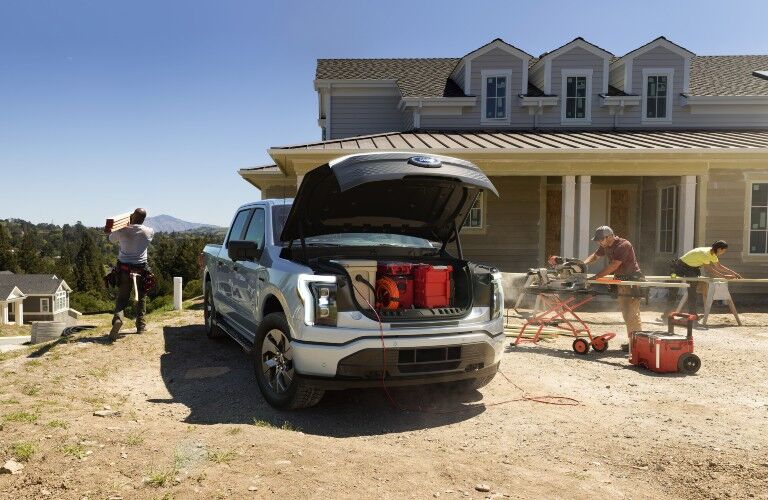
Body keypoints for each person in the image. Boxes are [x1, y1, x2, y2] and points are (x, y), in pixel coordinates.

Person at [583, 226, 644, 351]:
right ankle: (633, 342)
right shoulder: (605, 246)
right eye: (598, 240)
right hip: (621, 280)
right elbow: (595, 256)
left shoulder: (623, 245)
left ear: (609, 236)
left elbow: (614, 265)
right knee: (626, 312)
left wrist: (596, 277)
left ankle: (638, 344)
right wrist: (582, 264)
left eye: (601, 240)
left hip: (632, 280)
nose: (600, 242)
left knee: (632, 313)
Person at [105, 208, 154, 341]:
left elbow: (110, 239)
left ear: (132, 216)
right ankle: (141, 326)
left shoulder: (121, 230)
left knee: (122, 298)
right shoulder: (148, 231)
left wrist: (122, 225)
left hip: (124, 269)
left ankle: (118, 319)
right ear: (143, 219)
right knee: (141, 297)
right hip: (141, 269)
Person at [666, 240, 742, 315]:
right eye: (723, 251)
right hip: (680, 266)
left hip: (692, 268)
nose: (723, 253)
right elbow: (710, 270)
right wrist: (724, 276)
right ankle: (667, 312)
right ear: (719, 249)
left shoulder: (712, 254)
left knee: (692, 291)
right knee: (674, 288)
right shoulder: (705, 254)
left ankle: (692, 313)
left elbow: (719, 266)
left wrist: (734, 273)